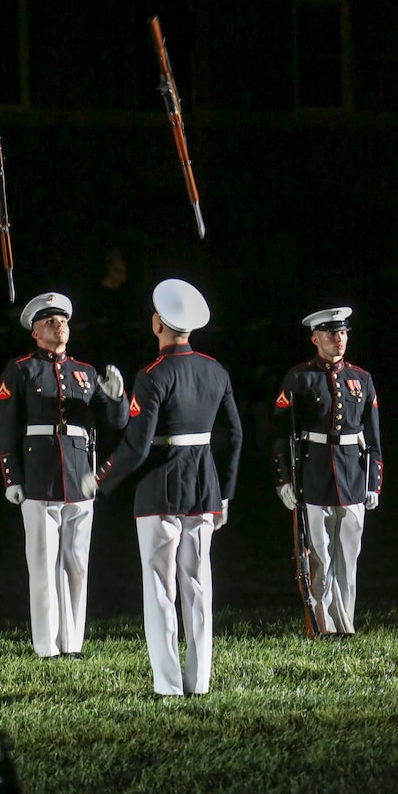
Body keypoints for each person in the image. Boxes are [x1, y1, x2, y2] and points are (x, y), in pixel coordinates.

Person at [82, 279, 243, 696]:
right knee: (198, 586)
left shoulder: (153, 375)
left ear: (158, 324)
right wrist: (225, 492)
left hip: (160, 488)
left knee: (160, 588)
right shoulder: (216, 370)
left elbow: (136, 445)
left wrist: (100, 479)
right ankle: (200, 679)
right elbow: (235, 436)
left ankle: (168, 683)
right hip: (204, 487)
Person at [0, 291, 130, 659]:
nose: (60, 325)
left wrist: (117, 399)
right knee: (42, 566)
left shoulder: (84, 373)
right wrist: (12, 478)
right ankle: (46, 645)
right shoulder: (21, 369)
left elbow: (116, 423)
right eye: (50, 321)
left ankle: (72, 643)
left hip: (79, 474)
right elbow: (6, 426)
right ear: (35, 333)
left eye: (64, 320)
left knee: (76, 565)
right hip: (40, 477)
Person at [272, 306, 382, 636]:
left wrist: (374, 482)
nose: (339, 339)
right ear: (315, 338)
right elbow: (280, 433)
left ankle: (344, 622)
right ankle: (323, 625)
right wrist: (284, 480)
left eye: (344, 332)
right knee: (319, 557)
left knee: (349, 556)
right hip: (314, 474)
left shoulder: (361, 379)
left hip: (351, 475)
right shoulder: (299, 378)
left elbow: (373, 436)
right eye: (332, 333)